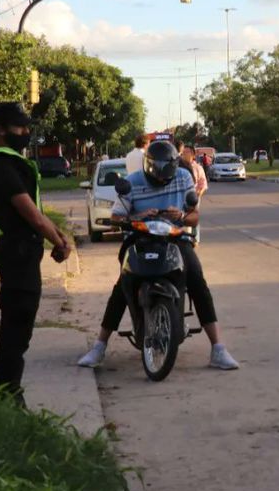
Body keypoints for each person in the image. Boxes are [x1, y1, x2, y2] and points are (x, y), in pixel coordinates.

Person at [77, 141, 238, 370]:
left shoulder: (183, 177)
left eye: (166, 178)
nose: (163, 182)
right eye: (158, 179)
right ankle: (99, 347)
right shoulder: (132, 182)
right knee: (123, 285)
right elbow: (116, 217)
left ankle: (218, 348)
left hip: (174, 238)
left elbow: (194, 217)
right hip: (140, 238)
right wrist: (137, 216)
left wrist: (181, 215)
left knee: (197, 281)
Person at [0, 102, 71, 406]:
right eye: (20, 127)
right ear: (0, 130)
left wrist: (52, 238)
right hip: (16, 251)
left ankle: (8, 394)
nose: (26, 133)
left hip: (21, 251)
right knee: (16, 328)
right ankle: (9, 398)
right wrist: (59, 240)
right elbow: (30, 213)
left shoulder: (8, 161)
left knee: (19, 327)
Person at [176, 141, 208, 244]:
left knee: (193, 218)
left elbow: (203, 184)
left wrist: (197, 195)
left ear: (193, 154)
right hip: (181, 196)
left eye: (187, 152)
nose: (184, 154)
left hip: (193, 196)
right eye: (183, 152)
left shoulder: (198, 167)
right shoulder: (178, 166)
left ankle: (195, 239)